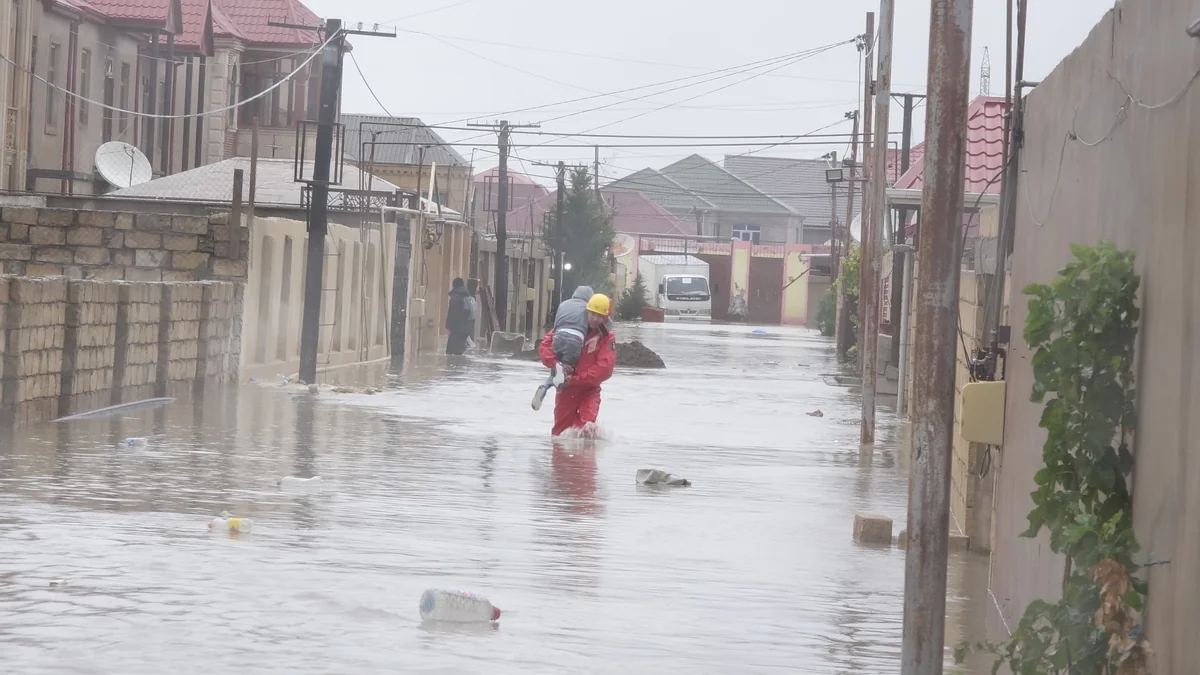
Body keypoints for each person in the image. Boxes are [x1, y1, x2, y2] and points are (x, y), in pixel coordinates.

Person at [535, 293, 617, 436]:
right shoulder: (570, 329)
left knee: (586, 430)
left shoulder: (607, 338)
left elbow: (605, 369)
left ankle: (583, 458)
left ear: (605, 318)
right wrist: (556, 364)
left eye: (600, 316)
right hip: (565, 390)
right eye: (593, 314)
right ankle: (561, 458)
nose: (596, 319)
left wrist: (574, 380)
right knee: (560, 434)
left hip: (589, 391)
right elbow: (544, 347)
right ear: (587, 311)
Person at [531, 285, 594, 409]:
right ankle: (558, 376)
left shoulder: (563, 304)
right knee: (563, 377)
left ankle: (544, 386)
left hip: (558, 336)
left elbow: (556, 325)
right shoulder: (587, 308)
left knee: (556, 372)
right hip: (575, 340)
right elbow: (594, 327)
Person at [445, 278, 472, 355]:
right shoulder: (467, 295)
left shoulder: (455, 297)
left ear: (453, 285)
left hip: (456, 329)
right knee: (459, 352)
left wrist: (448, 326)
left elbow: (452, 313)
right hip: (466, 328)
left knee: (450, 353)